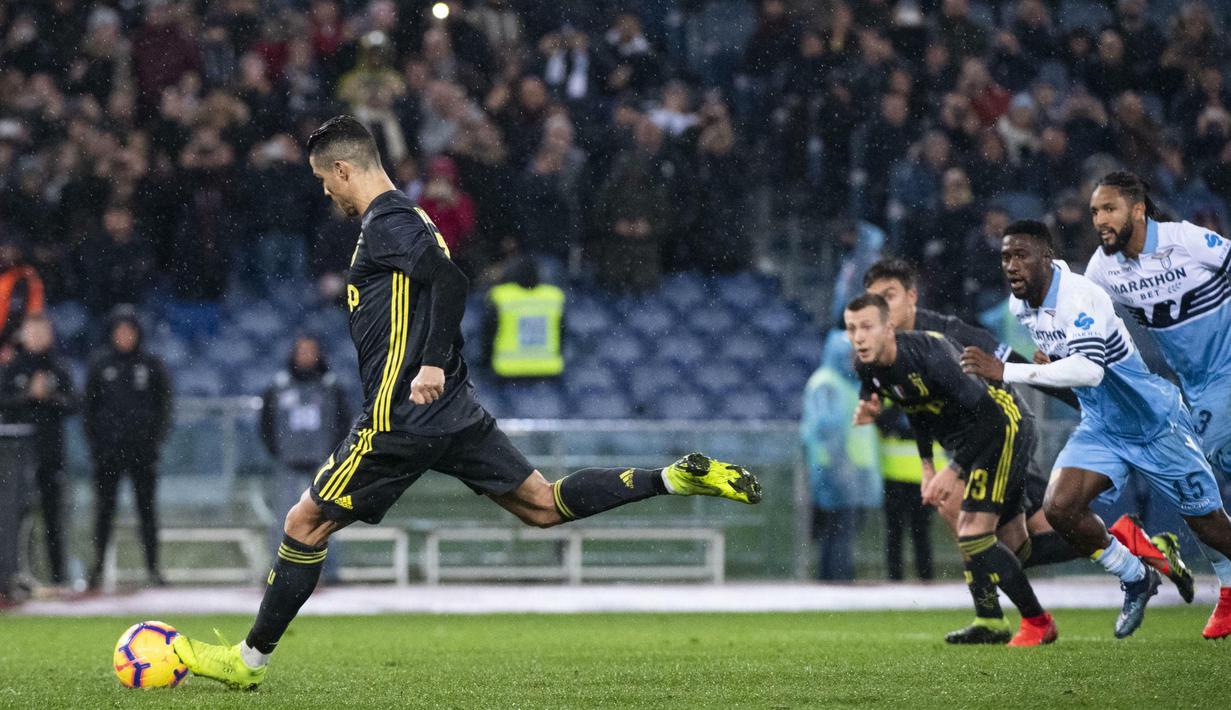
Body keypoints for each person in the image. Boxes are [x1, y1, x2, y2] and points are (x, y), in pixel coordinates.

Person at [171, 115, 763, 690]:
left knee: (305, 523)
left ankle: (247, 661)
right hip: (453, 409)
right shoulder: (415, 219)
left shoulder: (386, 222)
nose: (325, 191)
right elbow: (438, 289)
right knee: (543, 504)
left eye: (325, 179)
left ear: (345, 169)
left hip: (402, 413)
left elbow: (451, 281)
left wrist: (427, 364)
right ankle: (672, 479)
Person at [959, 220, 1231, 638]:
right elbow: (1067, 358)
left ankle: (1228, 592)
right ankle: (1135, 575)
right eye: (1005, 257)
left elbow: (1089, 369)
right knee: (1060, 506)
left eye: (1022, 255)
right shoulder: (1021, 307)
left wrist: (1008, 370)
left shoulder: (1079, 296)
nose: (1011, 265)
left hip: (1154, 422)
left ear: (1047, 258)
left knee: (1209, 524)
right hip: (1103, 426)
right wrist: (1048, 362)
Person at [846, 293, 1058, 647]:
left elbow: (992, 416)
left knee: (974, 535)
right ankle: (992, 618)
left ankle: (1038, 622)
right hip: (973, 437)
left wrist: (953, 470)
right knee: (1012, 547)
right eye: (851, 328)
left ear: (889, 328)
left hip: (1006, 425)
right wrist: (927, 466)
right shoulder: (867, 366)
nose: (859, 337)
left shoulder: (933, 356)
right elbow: (913, 406)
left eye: (867, 327)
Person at [1082, 171, 1231, 638]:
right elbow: (1079, 310)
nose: (1100, 220)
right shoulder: (1104, 268)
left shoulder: (1187, 241)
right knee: (1200, 496)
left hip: (1227, 370)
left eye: (1110, 209)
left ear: (1138, 209)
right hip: (1194, 387)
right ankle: (1228, 591)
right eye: (1094, 212)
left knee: (1198, 490)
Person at [84, 307, 173, 590]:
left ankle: (153, 568)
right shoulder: (100, 365)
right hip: (108, 453)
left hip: (142, 453)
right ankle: (97, 568)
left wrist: (154, 440)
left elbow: (164, 407)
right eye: (120, 331)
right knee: (103, 512)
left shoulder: (151, 365)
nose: (125, 336)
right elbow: (89, 409)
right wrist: (97, 445)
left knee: (147, 511)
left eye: (129, 331)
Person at [259, 335, 352, 581]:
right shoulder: (277, 387)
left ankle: (329, 571)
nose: (306, 355)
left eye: (310, 350)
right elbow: (266, 424)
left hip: (324, 463)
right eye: (301, 350)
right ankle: (278, 570)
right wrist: (278, 451)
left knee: (328, 518)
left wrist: (335, 455)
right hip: (287, 462)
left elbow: (345, 423)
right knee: (283, 518)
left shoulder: (332, 387)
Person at [3, 314, 77, 587]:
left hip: (51, 454)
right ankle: (17, 576)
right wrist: (28, 395)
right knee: (16, 520)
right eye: (32, 330)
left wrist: (50, 398)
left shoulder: (58, 367)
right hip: (14, 460)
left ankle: (59, 578)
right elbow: (4, 402)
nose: (37, 336)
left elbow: (74, 404)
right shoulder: (12, 368)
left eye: (42, 330)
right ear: (23, 334)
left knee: (53, 518)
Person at [801, 330, 880, 581]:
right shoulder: (827, 383)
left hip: (852, 469)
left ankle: (836, 581)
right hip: (835, 468)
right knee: (838, 531)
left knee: (843, 530)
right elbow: (827, 428)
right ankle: (837, 583)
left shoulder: (849, 383)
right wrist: (841, 462)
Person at [481, 257, 565, 379]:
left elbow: (489, 333)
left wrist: (485, 362)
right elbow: (562, 333)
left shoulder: (500, 297)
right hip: (547, 370)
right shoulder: (554, 297)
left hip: (507, 371)